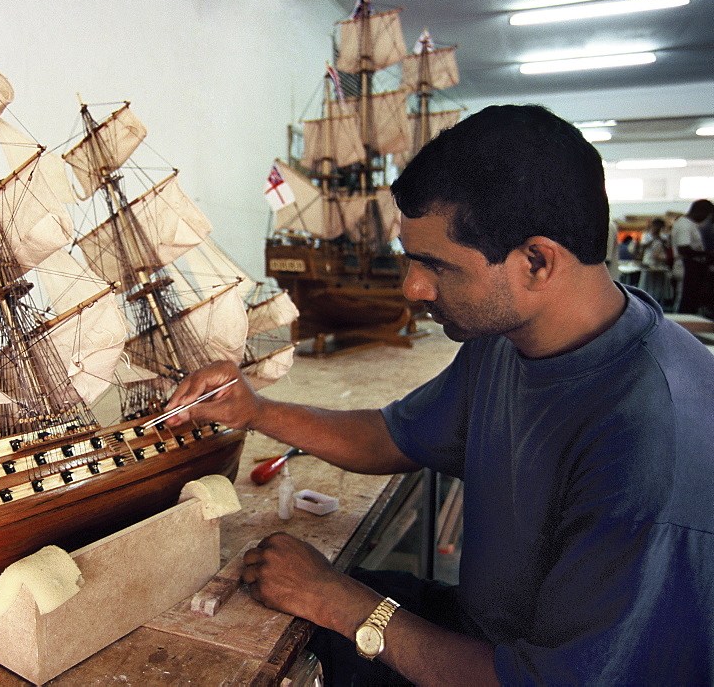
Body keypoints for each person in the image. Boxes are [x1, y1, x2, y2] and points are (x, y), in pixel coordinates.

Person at [164, 105, 714, 684]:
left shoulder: (649, 446)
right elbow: (393, 436)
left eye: (435, 266)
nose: (412, 288)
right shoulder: (509, 338)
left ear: (535, 262)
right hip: (488, 629)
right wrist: (257, 411)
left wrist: (339, 601)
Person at [670, 198, 713, 314]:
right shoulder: (685, 224)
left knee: (690, 301)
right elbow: (683, 249)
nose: (706, 219)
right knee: (684, 302)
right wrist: (707, 254)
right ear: (701, 211)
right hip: (685, 267)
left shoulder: (689, 224)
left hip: (691, 268)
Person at [638, 217, 672, 306]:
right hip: (648, 261)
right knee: (647, 283)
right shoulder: (646, 235)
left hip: (659, 263)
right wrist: (654, 238)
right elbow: (644, 246)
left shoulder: (663, 236)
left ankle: (658, 301)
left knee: (658, 284)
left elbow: (667, 246)